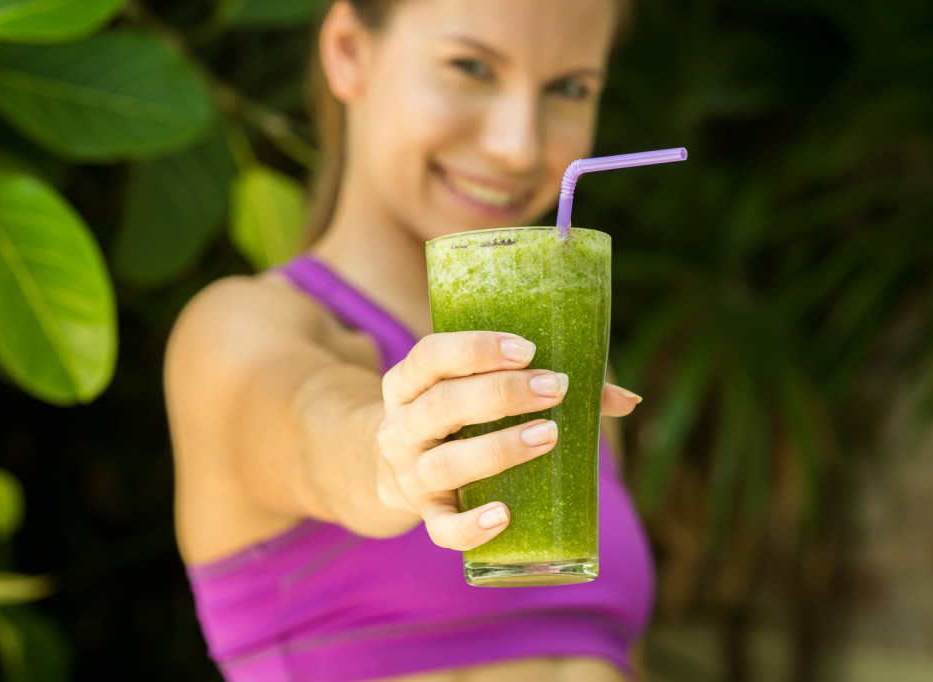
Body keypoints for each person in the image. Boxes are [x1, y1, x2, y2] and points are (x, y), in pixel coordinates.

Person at [164, 0, 654, 679]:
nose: (518, 145)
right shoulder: (238, 328)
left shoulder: (567, 382)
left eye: (569, 87)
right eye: (472, 67)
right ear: (348, 51)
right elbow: (316, 430)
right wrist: (395, 457)